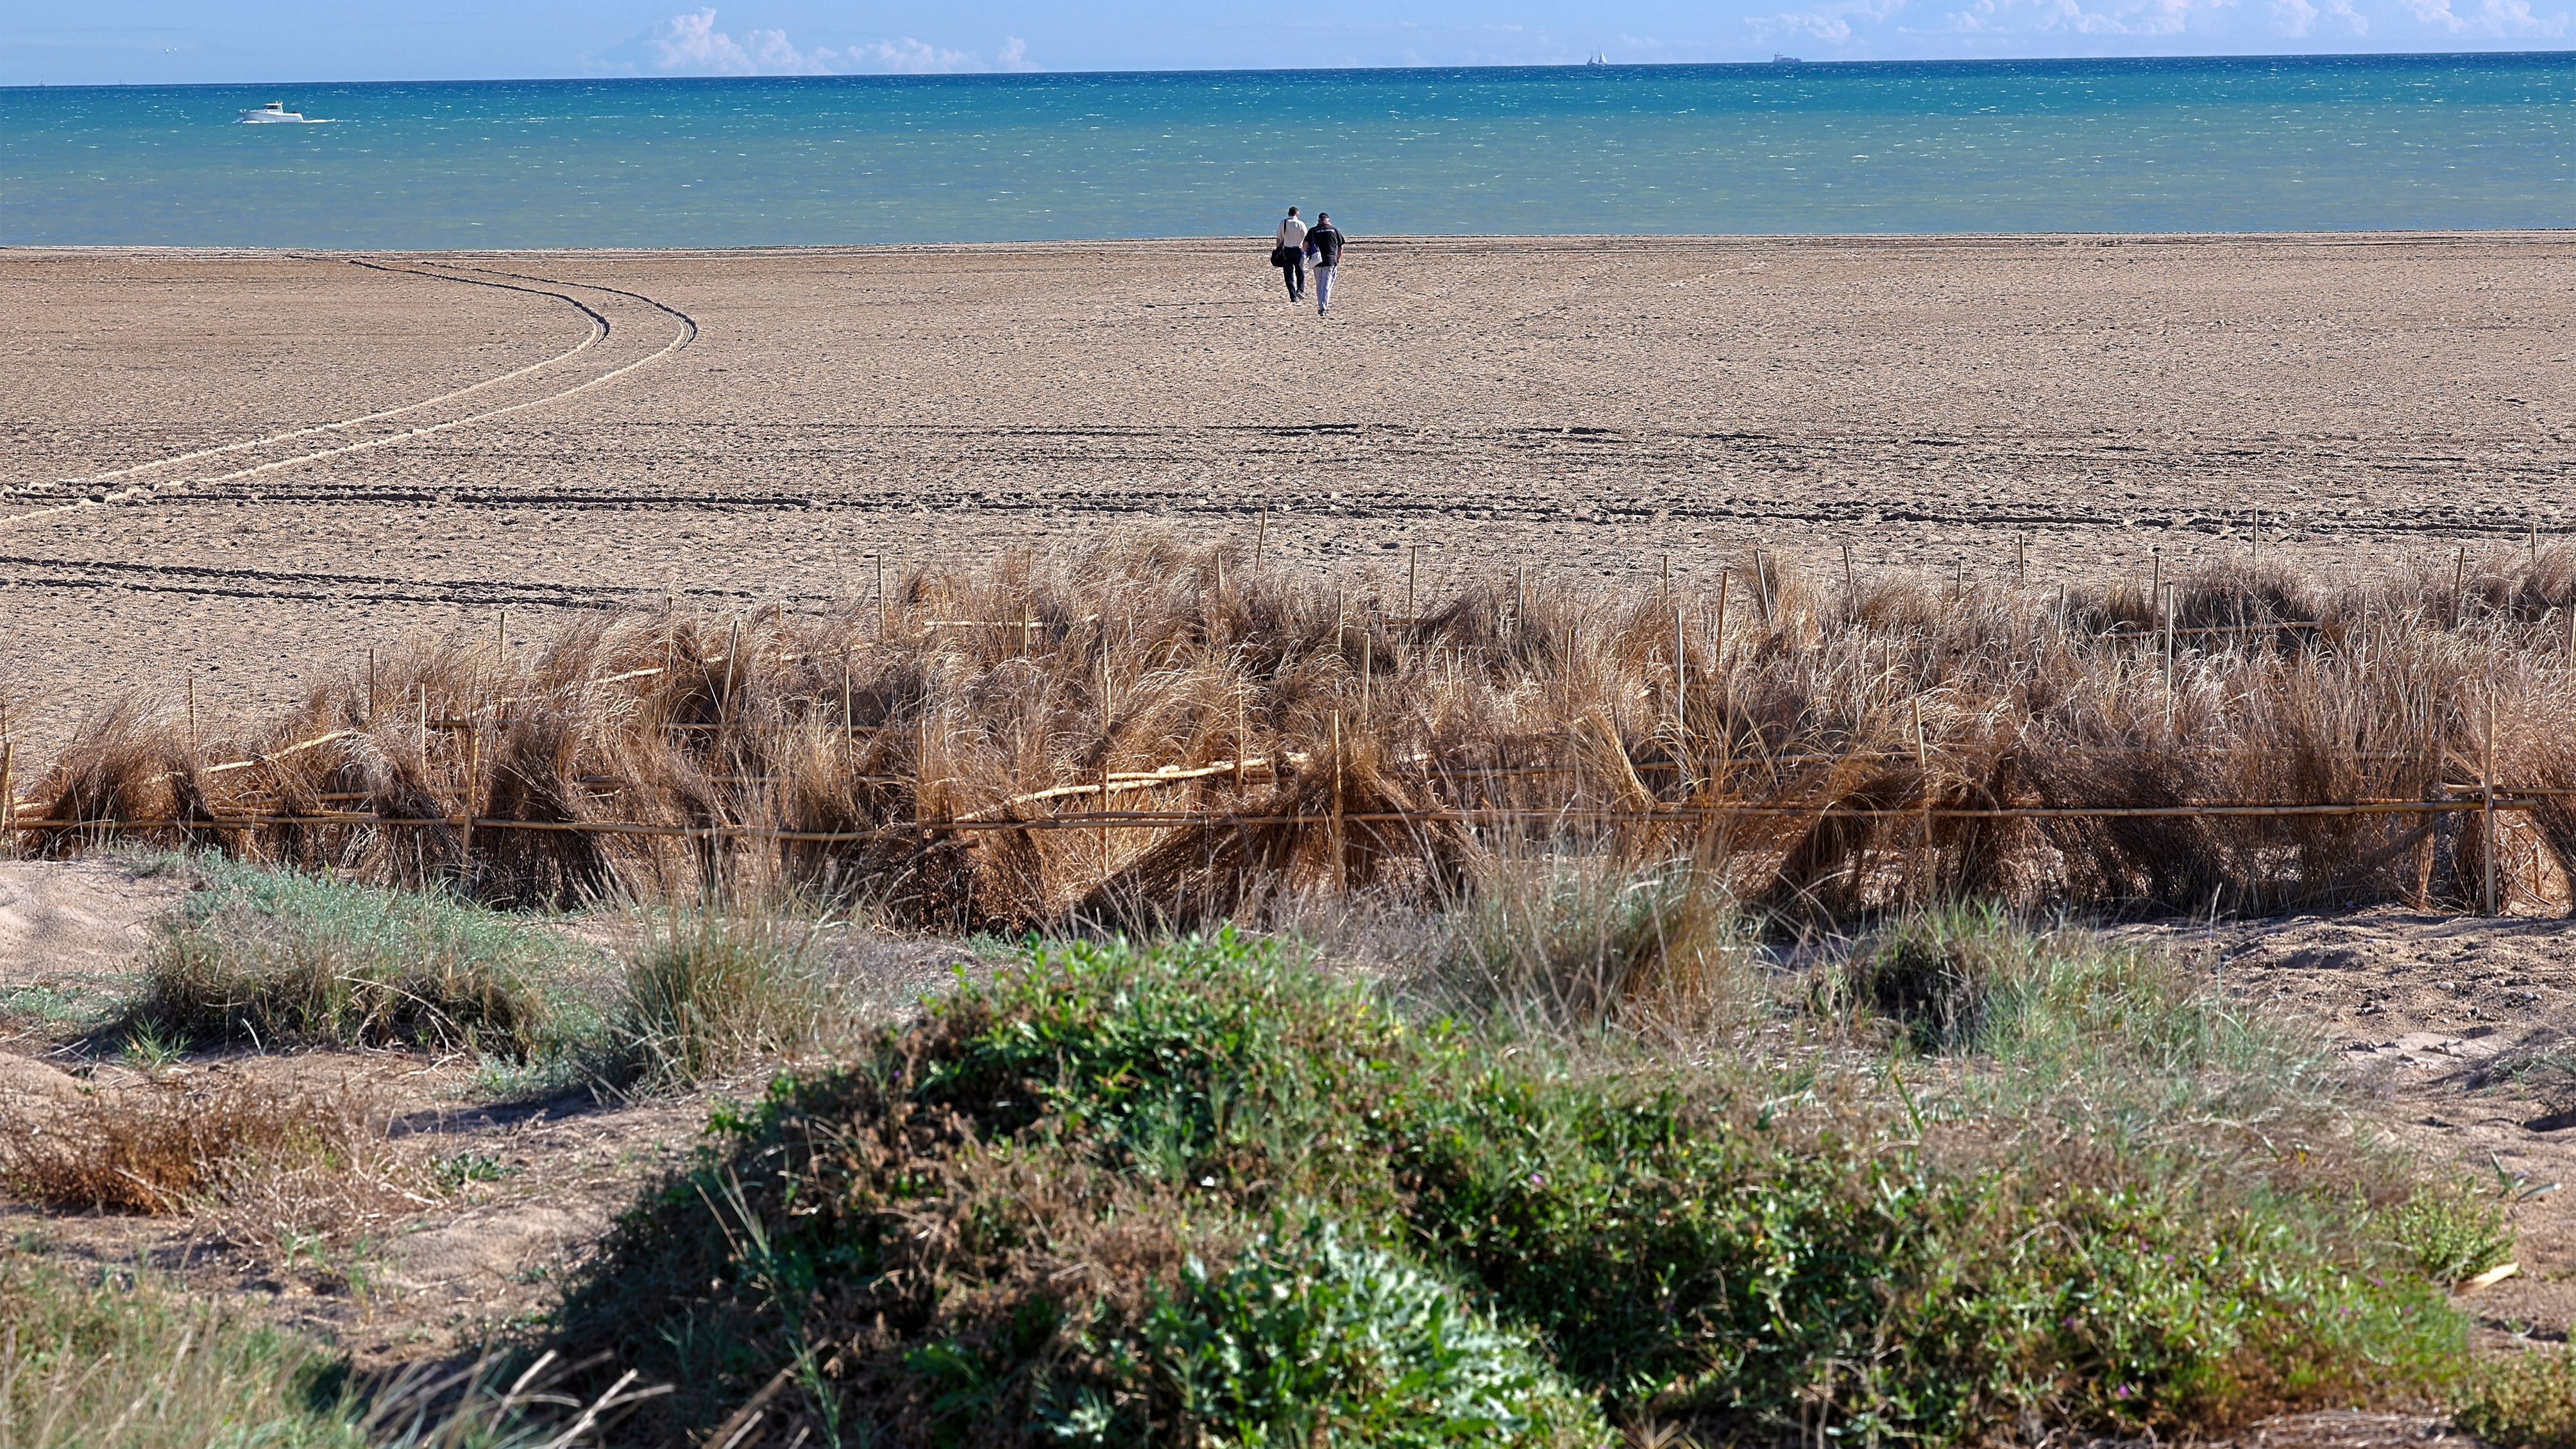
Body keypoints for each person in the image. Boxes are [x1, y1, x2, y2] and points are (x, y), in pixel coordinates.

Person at [1305, 212, 1346, 316]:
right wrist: (1338, 258)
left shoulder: (1313, 230)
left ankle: (1321, 306)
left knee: (1319, 285)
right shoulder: (1334, 230)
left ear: (1319, 221)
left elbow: (1305, 244)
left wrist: (1307, 254)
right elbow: (1341, 247)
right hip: (1330, 261)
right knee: (1326, 285)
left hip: (1317, 261)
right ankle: (1323, 308)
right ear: (1328, 220)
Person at [1275, 207, 1308, 303]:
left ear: (1288, 214)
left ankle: (1293, 296)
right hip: (1298, 250)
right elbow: (1306, 239)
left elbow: (1279, 240)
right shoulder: (1301, 224)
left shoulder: (1283, 223)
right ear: (1297, 214)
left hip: (1286, 250)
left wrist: (1278, 249)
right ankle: (1300, 290)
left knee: (1288, 274)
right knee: (1300, 271)